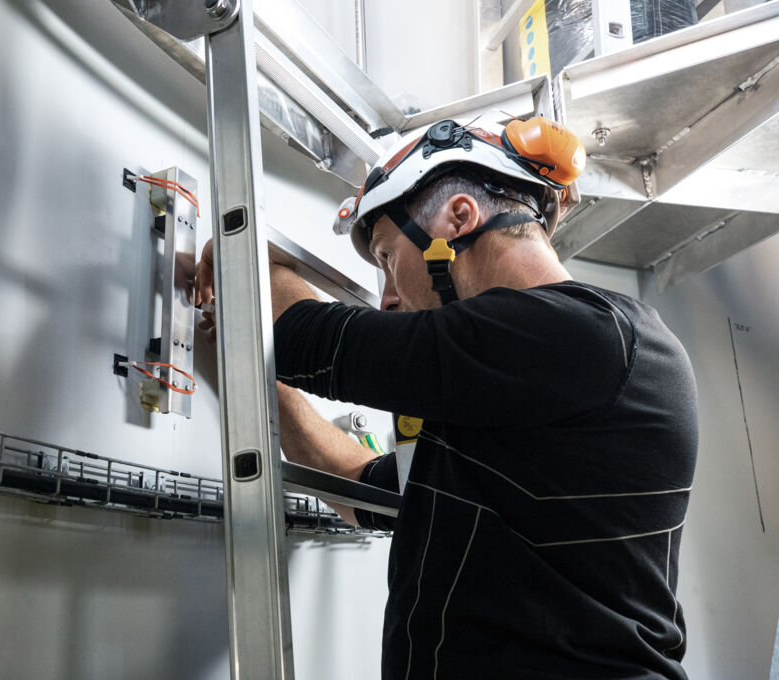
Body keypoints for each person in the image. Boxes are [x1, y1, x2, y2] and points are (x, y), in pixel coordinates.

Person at [195, 114, 698, 679]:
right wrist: (258, 373)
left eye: (387, 257)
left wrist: (249, 260)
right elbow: (361, 486)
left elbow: (301, 336)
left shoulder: (584, 334)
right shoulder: (506, 401)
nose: (386, 299)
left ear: (459, 218)